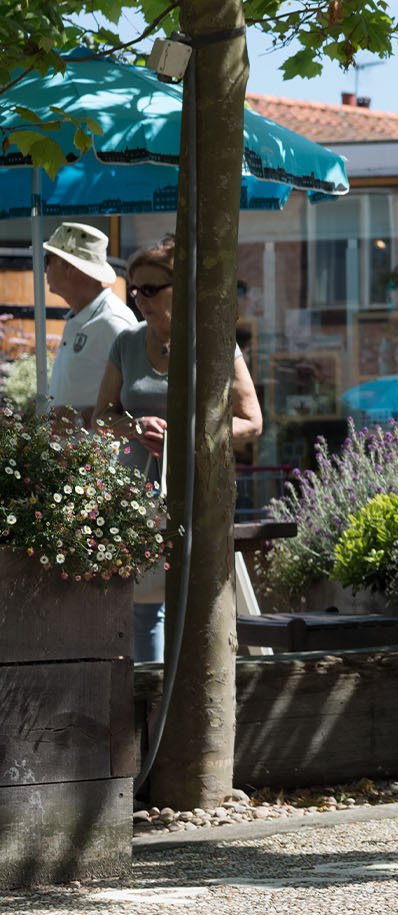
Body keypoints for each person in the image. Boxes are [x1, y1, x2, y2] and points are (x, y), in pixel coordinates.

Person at [92, 236, 264, 663]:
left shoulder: (213, 343)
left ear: (181, 289)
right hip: (137, 496)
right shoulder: (126, 343)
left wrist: (186, 434)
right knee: (144, 605)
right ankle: (152, 711)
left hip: (197, 492)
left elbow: (252, 423)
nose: (139, 299)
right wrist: (135, 427)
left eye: (151, 289)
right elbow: (100, 418)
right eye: (133, 289)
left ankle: (194, 707)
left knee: (200, 603)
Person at [41, 222, 137, 430]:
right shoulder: (83, 316)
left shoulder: (113, 321)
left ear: (69, 267)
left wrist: (76, 420)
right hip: (77, 457)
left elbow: (135, 399)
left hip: (102, 459)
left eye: (47, 260)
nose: (45, 270)